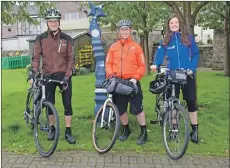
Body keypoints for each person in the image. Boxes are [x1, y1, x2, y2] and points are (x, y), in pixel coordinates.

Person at [150, 15, 200, 144]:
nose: (174, 24)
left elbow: (195, 54)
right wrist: (156, 64)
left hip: (187, 74)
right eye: (171, 22)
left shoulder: (188, 39)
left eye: (176, 22)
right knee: (172, 102)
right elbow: (160, 54)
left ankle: (195, 130)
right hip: (171, 75)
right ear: (168, 25)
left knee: (191, 102)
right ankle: (174, 129)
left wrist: (192, 68)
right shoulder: (166, 40)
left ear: (180, 24)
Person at [29, 8, 76, 144]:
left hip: (63, 76)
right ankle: (52, 128)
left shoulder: (67, 39)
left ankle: (68, 131)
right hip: (48, 75)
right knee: (49, 104)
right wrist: (34, 72)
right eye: (51, 21)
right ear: (47, 23)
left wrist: (67, 76)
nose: (53, 23)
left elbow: (70, 59)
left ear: (59, 22)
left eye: (55, 21)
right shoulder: (41, 38)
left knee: (67, 104)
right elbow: (36, 58)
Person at [105, 19, 148, 145]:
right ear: (118, 31)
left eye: (126, 29)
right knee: (120, 109)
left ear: (130, 30)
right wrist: (111, 75)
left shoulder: (136, 47)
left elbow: (142, 65)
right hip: (118, 82)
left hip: (132, 82)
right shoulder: (113, 47)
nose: (124, 31)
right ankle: (126, 129)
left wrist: (135, 78)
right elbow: (108, 63)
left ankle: (144, 131)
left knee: (138, 108)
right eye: (122, 29)